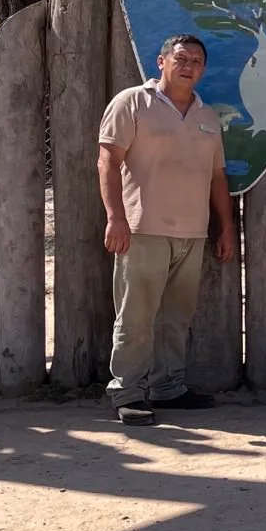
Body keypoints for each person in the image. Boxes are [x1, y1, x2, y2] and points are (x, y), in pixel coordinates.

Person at [98, 34, 237, 426]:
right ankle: (127, 391)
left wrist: (226, 227)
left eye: (196, 61)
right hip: (143, 229)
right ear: (161, 62)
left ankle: (168, 387)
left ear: (203, 69)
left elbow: (217, 177)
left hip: (193, 232)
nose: (188, 66)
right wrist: (116, 217)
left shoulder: (208, 116)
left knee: (177, 316)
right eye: (181, 58)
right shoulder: (132, 102)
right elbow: (107, 161)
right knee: (136, 316)